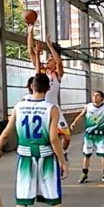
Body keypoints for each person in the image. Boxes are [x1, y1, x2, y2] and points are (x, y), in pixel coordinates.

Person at [0, 73, 72, 207]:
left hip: (25, 158)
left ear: (31, 87)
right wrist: (62, 161)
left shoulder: (19, 107)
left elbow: (5, 132)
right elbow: (53, 138)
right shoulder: (51, 109)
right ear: (48, 88)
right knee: (54, 200)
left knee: (22, 201)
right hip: (46, 158)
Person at [27, 27, 71, 155]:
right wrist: (30, 32)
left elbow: (59, 62)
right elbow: (30, 52)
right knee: (45, 137)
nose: (48, 60)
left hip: (54, 107)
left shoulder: (57, 74)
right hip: (42, 108)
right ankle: (50, 155)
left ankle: (62, 153)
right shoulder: (40, 72)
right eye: (47, 59)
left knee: (67, 137)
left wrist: (49, 45)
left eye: (50, 59)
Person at [71, 90, 104, 184]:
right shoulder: (88, 107)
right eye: (94, 95)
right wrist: (74, 123)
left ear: (101, 98)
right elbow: (81, 115)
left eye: (97, 96)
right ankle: (84, 174)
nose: (95, 97)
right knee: (87, 154)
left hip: (101, 135)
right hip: (89, 135)